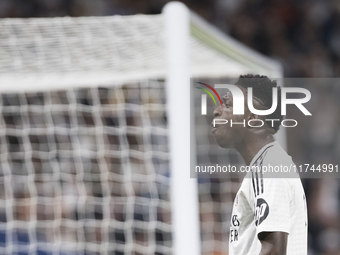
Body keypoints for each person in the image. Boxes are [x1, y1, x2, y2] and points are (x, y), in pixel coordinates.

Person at [212, 74, 307, 255]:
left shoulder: (269, 167)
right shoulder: (268, 164)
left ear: (253, 118)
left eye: (228, 104)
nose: (217, 111)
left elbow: (274, 250)